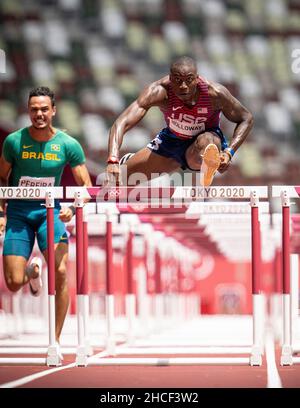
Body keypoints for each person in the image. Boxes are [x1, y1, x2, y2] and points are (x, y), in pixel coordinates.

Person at [0, 86, 92, 345]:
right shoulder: (14, 142)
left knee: (61, 271)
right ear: (27, 111)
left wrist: (72, 208)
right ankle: (31, 272)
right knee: (14, 282)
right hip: (18, 214)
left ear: (54, 110)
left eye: (43, 109)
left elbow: (85, 186)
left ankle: (56, 341)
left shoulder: (68, 145)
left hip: (49, 212)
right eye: (33, 110)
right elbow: (1, 177)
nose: (38, 114)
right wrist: (1, 212)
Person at [105, 56, 253, 187]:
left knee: (207, 141)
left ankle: (208, 164)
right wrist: (113, 159)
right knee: (118, 181)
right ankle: (130, 161)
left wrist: (229, 152)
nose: (183, 86)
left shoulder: (215, 94)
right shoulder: (159, 91)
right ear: (170, 78)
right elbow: (121, 122)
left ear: (197, 78)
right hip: (171, 141)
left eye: (189, 80)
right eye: (177, 80)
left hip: (203, 143)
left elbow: (246, 118)